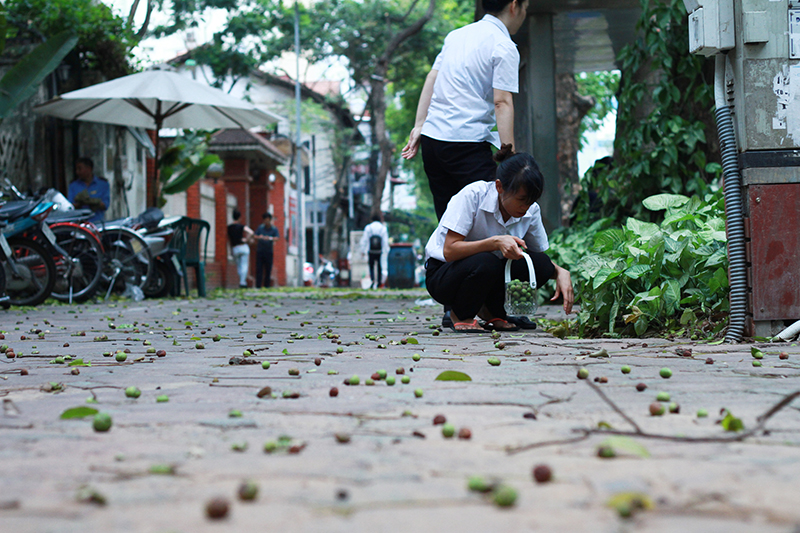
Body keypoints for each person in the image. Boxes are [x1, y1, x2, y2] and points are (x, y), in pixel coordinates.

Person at [401, 0, 527, 326]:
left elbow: (433, 77)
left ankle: (462, 307)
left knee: (451, 226)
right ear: (514, 5)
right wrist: (509, 155)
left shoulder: (456, 35)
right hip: (467, 143)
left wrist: (419, 125)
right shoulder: (503, 45)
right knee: (493, 222)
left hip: (434, 144)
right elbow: (502, 101)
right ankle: (486, 309)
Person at [424, 146, 573, 332]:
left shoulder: (531, 210)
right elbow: (449, 250)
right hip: (445, 274)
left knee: (541, 264)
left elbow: (535, 257)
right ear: (499, 187)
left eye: (531, 200)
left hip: (491, 274)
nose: (526, 207)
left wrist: (559, 271)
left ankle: (493, 312)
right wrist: (494, 242)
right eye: (521, 199)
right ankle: (461, 314)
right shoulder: (473, 195)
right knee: (486, 261)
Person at [67, 157, 110, 224]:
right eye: (76, 169)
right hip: (80, 224)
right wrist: (80, 203)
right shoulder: (73, 185)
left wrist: (94, 202)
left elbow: (105, 205)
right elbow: (70, 207)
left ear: (89, 169)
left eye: (80, 169)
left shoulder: (102, 184)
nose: (77, 172)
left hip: (97, 223)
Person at [360, 214, 390, 289]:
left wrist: (363, 250)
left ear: (372, 220)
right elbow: (385, 241)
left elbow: (365, 239)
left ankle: (372, 280)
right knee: (379, 267)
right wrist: (386, 251)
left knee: (371, 266)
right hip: (380, 251)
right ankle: (379, 282)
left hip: (370, 251)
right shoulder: (383, 228)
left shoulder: (368, 227)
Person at [227, 208, 254, 289]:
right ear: (240, 217)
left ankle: (241, 281)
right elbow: (251, 232)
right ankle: (242, 282)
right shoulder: (242, 226)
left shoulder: (229, 227)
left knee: (239, 265)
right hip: (243, 246)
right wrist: (247, 239)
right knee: (244, 265)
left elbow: (228, 240)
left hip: (235, 248)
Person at [253, 212, 280, 288]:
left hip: (268, 251)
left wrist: (270, 238)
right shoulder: (260, 228)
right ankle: (258, 285)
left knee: (268, 268)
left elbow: (277, 238)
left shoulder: (274, 229)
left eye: (268, 220)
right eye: (265, 220)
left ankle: (266, 285)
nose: (266, 222)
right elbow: (255, 236)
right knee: (259, 268)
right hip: (260, 250)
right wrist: (260, 237)